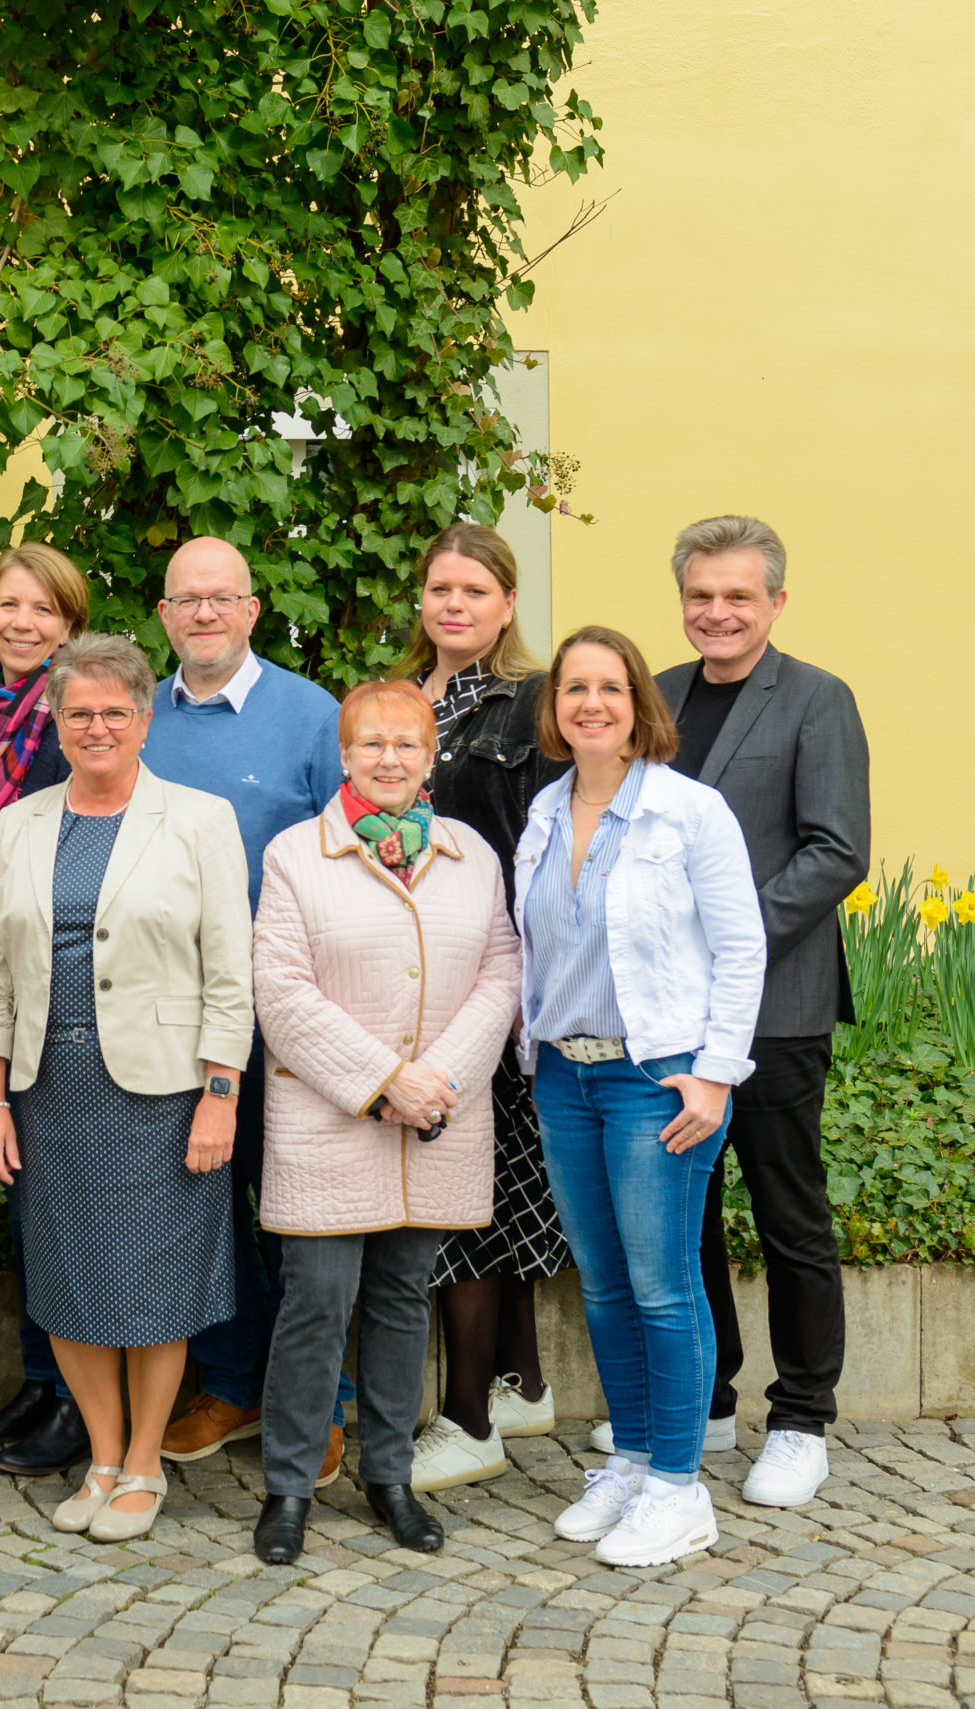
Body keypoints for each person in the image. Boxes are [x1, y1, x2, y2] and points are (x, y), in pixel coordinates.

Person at [0, 635, 252, 1543]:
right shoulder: (18, 824)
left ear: (144, 718)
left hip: (164, 1090)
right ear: (56, 720)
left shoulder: (200, 820)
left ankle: (143, 1464)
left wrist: (222, 1090)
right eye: (78, 712)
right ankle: (99, 1455)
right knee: (65, 1281)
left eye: (114, 712)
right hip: (49, 1085)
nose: (96, 727)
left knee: (154, 1283)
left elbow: (228, 969)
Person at [249, 678, 522, 1564]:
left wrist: (436, 1076)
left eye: (407, 743)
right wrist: (382, 1081)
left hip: (437, 1114)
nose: (390, 758)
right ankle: (289, 1485)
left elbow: (502, 969)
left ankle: (390, 1476)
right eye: (372, 744)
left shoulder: (470, 853)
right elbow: (280, 991)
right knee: (316, 1303)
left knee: (405, 1300)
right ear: (344, 753)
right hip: (333, 1116)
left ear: (431, 751)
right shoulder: (296, 853)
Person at [515, 626, 764, 1570]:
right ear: (555, 707)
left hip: (656, 1077)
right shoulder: (543, 812)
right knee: (606, 1283)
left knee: (665, 1286)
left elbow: (743, 949)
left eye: (609, 687)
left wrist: (714, 1071)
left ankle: (677, 1488)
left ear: (637, 705)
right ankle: (629, 1459)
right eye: (574, 687)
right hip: (564, 1076)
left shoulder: (690, 813)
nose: (591, 703)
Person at [641, 515, 870, 1510]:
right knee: (684, 1215)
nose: (717, 612)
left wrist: (722, 935)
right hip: (667, 1015)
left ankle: (800, 1415)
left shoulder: (818, 700)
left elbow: (834, 850)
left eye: (737, 595)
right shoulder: (657, 695)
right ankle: (707, 1400)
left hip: (773, 1005)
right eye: (701, 595)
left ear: (776, 601)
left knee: (786, 1214)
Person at [136, 537, 351, 1484]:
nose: (205, 614)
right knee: (203, 1209)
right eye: (188, 600)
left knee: (297, 1213)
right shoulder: (138, 716)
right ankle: (232, 1383)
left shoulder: (313, 716)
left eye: (223, 598)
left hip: (289, 1013)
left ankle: (324, 1403)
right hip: (172, 1013)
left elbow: (349, 856)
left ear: (254, 610)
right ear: (164, 614)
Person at [403, 522, 571, 1492]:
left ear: (505, 603)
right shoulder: (401, 701)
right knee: (493, 1192)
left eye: (474, 589)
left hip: (495, 976)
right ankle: (522, 1379)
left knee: (476, 1201)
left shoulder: (532, 704)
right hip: (413, 976)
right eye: (440, 588)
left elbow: (542, 845)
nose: (454, 603)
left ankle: (468, 1417)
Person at [0, 543, 94, 1479]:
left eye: (43, 610)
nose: (22, 623)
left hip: (58, 970)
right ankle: (40, 1377)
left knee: (65, 1189)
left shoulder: (81, 714)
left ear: (70, 624)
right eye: (8, 605)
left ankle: (78, 1401)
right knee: (20, 1183)